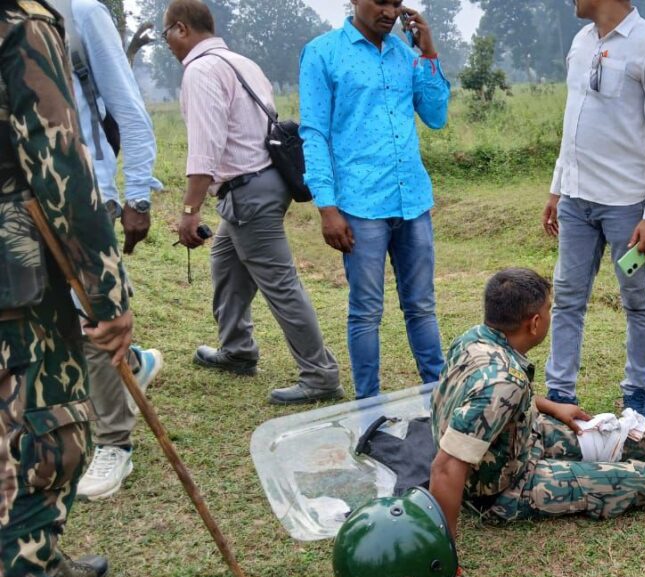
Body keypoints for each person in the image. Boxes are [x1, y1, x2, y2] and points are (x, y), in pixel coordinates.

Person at [429, 269, 645, 537]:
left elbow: (490, 399)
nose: (550, 315)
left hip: (523, 438)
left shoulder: (475, 339)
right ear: (535, 323)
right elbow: (446, 468)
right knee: (621, 481)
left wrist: (551, 406)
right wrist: (445, 561)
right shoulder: (503, 381)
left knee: (613, 435)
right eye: (549, 309)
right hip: (505, 486)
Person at [0, 1, 139, 577]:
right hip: (16, 285)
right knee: (44, 443)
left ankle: (43, 565)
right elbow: (59, 160)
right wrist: (107, 297)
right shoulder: (22, 19)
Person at [163, 0, 342, 405]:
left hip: (248, 191)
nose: (169, 46)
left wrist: (190, 212)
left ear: (180, 29)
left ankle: (320, 375)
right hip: (266, 180)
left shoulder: (201, 69)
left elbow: (206, 147)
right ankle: (237, 350)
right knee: (225, 262)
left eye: (167, 35)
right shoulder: (242, 63)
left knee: (280, 284)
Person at [299, 0, 450, 400]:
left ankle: (439, 397)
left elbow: (436, 115)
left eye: (396, 3)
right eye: (380, 1)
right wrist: (327, 207)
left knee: (421, 306)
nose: (389, 11)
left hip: (412, 201)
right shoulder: (323, 52)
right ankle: (368, 406)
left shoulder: (404, 53)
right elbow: (314, 133)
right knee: (366, 311)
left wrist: (429, 52)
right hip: (360, 205)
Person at [542, 0, 645, 420]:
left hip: (629, 207)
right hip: (576, 201)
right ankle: (560, 391)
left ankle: (637, 392)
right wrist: (557, 188)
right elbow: (573, 123)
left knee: (637, 299)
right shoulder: (581, 42)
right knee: (567, 296)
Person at [52, 0, 166, 502]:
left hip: (85, 192)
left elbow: (131, 114)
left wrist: (137, 199)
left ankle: (114, 443)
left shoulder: (81, 14)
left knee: (95, 317)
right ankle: (136, 363)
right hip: (25, 196)